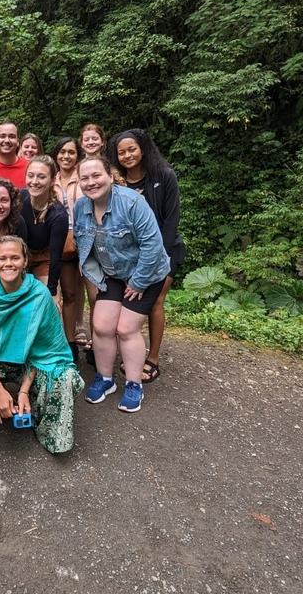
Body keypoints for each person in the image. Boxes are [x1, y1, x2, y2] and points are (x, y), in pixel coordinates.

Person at [0, 236, 83, 453]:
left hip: (29, 362)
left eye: (15, 257)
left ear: (25, 261)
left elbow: (44, 351)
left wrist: (23, 391)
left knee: (65, 377)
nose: (8, 263)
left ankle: (41, 417)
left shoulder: (39, 295)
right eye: (2, 258)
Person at [72, 156, 170, 413]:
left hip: (147, 274)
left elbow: (153, 245)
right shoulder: (81, 206)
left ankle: (134, 384)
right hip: (112, 274)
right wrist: (97, 276)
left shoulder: (132, 202)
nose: (91, 182)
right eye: (84, 178)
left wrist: (138, 283)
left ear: (110, 175)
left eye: (96, 176)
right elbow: (83, 243)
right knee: (102, 325)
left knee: (126, 328)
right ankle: (105, 379)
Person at [108, 130, 184, 383]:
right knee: (132, 304)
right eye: (121, 152)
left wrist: (154, 259)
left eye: (132, 149)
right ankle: (133, 351)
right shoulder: (117, 183)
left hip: (165, 250)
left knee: (155, 301)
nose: (127, 155)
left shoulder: (164, 177)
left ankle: (152, 358)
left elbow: (170, 221)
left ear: (143, 149)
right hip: (129, 255)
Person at [50, 137, 88, 359]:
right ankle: (58, 341)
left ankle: (73, 341)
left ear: (77, 155)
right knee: (58, 293)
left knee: (73, 293)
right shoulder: (49, 178)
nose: (66, 156)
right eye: (62, 151)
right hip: (57, 243)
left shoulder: (83, 177)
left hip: (82, 241)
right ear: (56, 154)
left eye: (71, 152)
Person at [20, 154, 68, 303]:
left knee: (48, 303)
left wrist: (53, 292)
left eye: (41, 177)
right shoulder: (19, 198)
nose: (34, 182)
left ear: (53, 180)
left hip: (44, 259)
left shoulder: (58, 215)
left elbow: (55, 257)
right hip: (19, 256)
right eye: (31, 176)